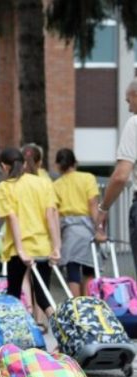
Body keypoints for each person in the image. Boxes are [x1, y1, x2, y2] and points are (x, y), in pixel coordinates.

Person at [0, 148, 60, 323]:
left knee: (14, 294)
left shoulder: (4, 187)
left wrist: (21, 250)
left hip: (19, 249)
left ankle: (16, 332)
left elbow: (12, 218)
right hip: (42, 247)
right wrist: (56, 247)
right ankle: (61, 330)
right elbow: (50, 215)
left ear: (4, 166)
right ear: (24, 164)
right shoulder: (43, 183)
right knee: (43, 296)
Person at [95, 78, 137, 272]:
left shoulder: (134, 123)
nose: (129, 108)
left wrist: (103, 208)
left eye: (129, 101)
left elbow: (121, 175)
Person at [53, 148, 100, 296]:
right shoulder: (88, 178)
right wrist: (98, 228)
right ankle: (88, 302)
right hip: (87, 227)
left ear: (58, 165)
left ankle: (76, 303)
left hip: (68, 229)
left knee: (72, 268)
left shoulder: (56, 185)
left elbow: (55, 212)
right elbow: (93, 204)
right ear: (75, 162)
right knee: (89, 268)